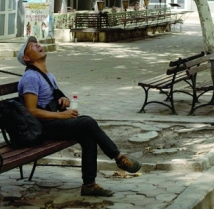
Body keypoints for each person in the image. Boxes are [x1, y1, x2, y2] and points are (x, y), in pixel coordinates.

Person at [17, 35, 140, 197]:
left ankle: (89, 186)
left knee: (88, 136)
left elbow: (50, 99)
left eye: (37, 43)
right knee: (87, 123)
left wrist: (63, 99)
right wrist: (63, 116)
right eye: (32, 46)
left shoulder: (47, 75)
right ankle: (118, 158)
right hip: (41, 129)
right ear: (26, 58)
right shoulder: (31, 77)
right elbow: (32, 111)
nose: (38, 45)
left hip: (51, 123)